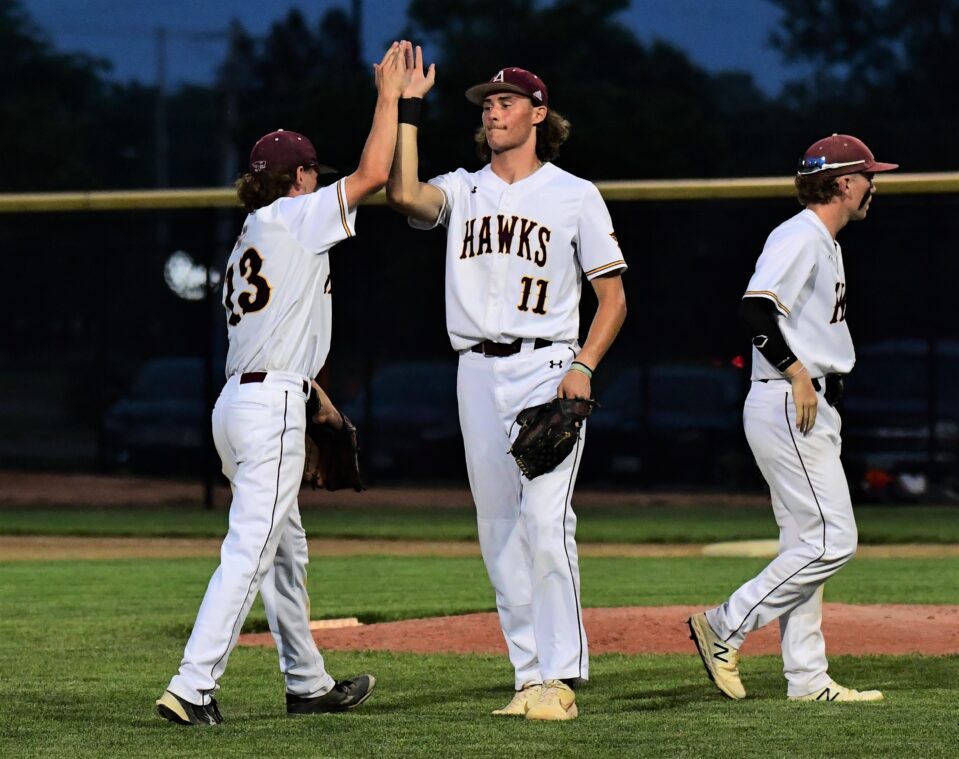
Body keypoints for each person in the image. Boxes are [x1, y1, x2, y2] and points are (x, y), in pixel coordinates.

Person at [155, 41, 411, 726]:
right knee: (251, 548)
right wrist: (389, 96)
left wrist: (311, 393)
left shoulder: (251, 233)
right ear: (299, 177)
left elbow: (278, 335)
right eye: (310, 173)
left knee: (285, 551)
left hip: (244, 401)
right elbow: (375, 173)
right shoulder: (296, 218)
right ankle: (192, 683)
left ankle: (307, 681)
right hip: (266, 408)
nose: (315, 181)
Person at [386, 53, 627, 721]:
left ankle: (559, 671)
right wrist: (406, 109)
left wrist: (583, 365)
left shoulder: (574, 193)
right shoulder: (463, 189)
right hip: (475, 369)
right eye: (486, 102)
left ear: (538, 113)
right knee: (497, 528)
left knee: (547, 523)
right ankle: (528, 673)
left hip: (548, 367)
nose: (492, 109)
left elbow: (613, 298)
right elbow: (403, 195)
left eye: (506, 100)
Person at [688, 134, 898, 703]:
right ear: (845, 182)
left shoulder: (823, 240)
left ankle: (806, 678)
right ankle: (724, 625)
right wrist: (798, 372)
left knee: (805, 541)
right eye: (868, 176)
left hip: (803, 400)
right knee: (834, 541)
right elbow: (753, 309)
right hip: (789, 397)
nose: (874, 185)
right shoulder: (800, 234)